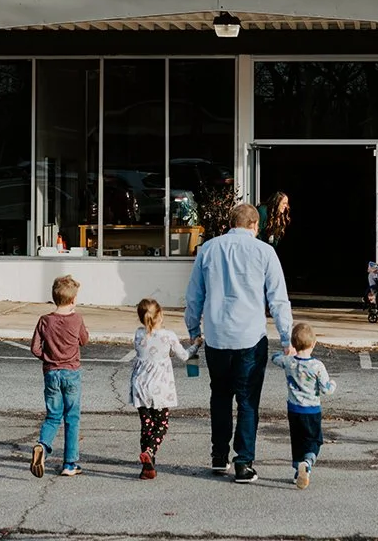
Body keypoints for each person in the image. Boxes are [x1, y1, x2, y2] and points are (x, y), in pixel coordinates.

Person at [185, 202, 294, 484]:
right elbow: (278, 299)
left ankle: (218, 455)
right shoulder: (265, 252)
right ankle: (243, 462)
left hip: (217, 336)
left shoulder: (208, 249)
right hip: (250, 337)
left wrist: (193, 328)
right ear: (254, 225)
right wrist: (286, 338)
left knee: (220, 395)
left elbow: (194, 294)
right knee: (247, 400)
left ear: (231, 223)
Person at [130, 298, 201, 480]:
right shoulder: (168, 336)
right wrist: (196, 345)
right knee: (161, 424)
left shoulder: (138, 334)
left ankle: (147, 467)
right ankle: (150, 451)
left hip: (140, 388)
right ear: (160, 315)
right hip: (160, 389)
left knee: (146, 427)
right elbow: (184, 356)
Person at [29, 275, 90, 477]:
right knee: (72, 417)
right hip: (71, 372)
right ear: (73, 300)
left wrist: (47, 357)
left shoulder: (45, 320)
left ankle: (43, 445)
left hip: (51, 373)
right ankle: (70, 463)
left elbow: (35, 348)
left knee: (53, 415)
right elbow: (84, 340)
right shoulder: (77, 319)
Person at [271, 321, 336, 489]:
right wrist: (333, 384)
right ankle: (307, 463)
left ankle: (297, 470)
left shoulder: (288, 362)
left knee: (297, 439)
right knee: (314, 440)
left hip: (294, 409)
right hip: (312, 410)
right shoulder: (317, 366)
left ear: (293, 344)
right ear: (313, 344)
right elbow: (326, 389)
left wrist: (287, 351)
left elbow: (274, 358)